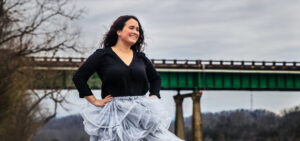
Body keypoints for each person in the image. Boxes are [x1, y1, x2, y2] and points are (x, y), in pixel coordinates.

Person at [72, 15, 184, 141]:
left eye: (137, 30)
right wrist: (94, 101)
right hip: (115, 115)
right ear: (118, 31)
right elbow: (79, 77)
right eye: (132, 28)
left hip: (142, 114)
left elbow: (156, 78)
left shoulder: (141, 57)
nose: (136, 32)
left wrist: (154, 95)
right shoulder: (103, 55)